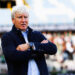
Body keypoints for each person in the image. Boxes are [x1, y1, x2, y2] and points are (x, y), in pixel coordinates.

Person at [1, 5, 57, 75]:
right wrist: (39, 50)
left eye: (25, 17)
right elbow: (14, 56)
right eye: (20, 17)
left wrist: (30, 45)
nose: (23, 20)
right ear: (13, 20)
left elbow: (53, 49)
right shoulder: (7, 37)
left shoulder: (36, 34)